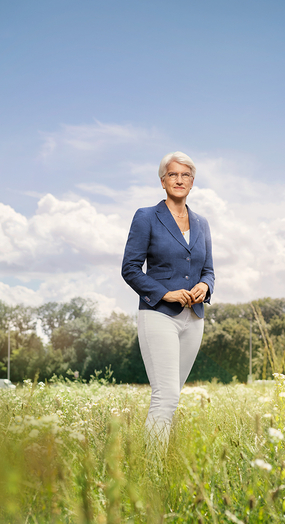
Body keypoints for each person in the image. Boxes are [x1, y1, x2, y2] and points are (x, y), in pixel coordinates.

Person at [121, 151, 215, 451]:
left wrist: (205, 285)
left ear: (192, 181)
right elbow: (130, 269)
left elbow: (209, 270)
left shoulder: (202, 223)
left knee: (173, 393)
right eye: (173, 174)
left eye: (185, 175)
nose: (179, 180)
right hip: (158, 314)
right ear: (163, 181)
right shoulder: (146, 217)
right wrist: (165, 293)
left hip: (194, 319)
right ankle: (152, 472)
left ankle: (156, 458)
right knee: (166, 395)